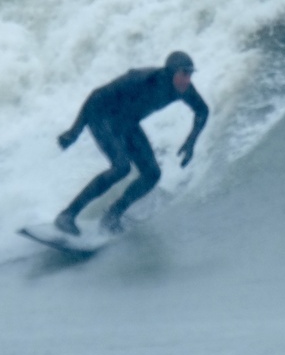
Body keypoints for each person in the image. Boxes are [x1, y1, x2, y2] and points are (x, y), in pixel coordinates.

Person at [54, 51, 209, 236]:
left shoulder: (183, 89)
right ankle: (67, 215)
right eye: (184, 73)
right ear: (171, 72)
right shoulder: (143, 79)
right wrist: (75, 131)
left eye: (190, 74)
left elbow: (202, 110)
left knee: (152, 173)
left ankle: (112, 215)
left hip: (127, 123)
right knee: (121, 167)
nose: (188, 79)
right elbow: (95, 96)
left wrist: (191, 141)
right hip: (101, 115)